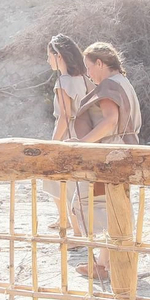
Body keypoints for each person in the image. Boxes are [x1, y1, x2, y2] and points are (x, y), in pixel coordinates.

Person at [71, 41, 142, 280]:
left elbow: (110, 121)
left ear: (100, 63)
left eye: (90, 67)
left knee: (88, 204)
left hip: (109, 155)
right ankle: (102, 265)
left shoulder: (110, 85)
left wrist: (83, 143)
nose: (88, 74)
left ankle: (109, 260)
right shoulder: (124, 83)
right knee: (112, 206)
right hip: (123, 152)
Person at [43, 35, 90, 235]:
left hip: (67, 135)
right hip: (82, 134)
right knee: (64, 181)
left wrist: (53, 144)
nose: (47, 61)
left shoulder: (63, 82)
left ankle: (76, 230)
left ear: (58, 56)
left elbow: (64, 115)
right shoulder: (82, 79)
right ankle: (66, 219)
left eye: (49, 56)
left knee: (62, 181)